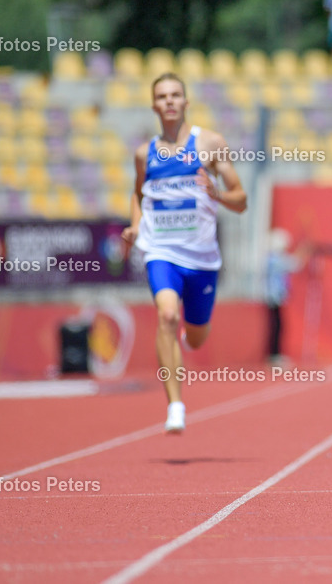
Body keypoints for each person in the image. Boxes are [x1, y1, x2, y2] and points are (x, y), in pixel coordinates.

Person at [121, 73, 247, 433]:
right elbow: (137, 193)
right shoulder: (144, 153)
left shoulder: (209, 144)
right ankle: (175, 405)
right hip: (161, 251)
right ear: (154, 105)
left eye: (176, 95)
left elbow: (241, 200)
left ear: (186, 102)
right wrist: (134, 225)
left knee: (195, 337)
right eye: (162, 96)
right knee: (166, 316)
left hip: (203, 260)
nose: (170, 101)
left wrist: (217, 193)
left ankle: (183, 336)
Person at [264, 228, 308, 367]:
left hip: (275, 296)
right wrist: (304, 251)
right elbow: (295, 265)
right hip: (274, 296)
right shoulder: (274, 258)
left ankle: (276, 355)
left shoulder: (272, 258)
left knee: (278, 325)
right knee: (277, 326)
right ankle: (274, 355)